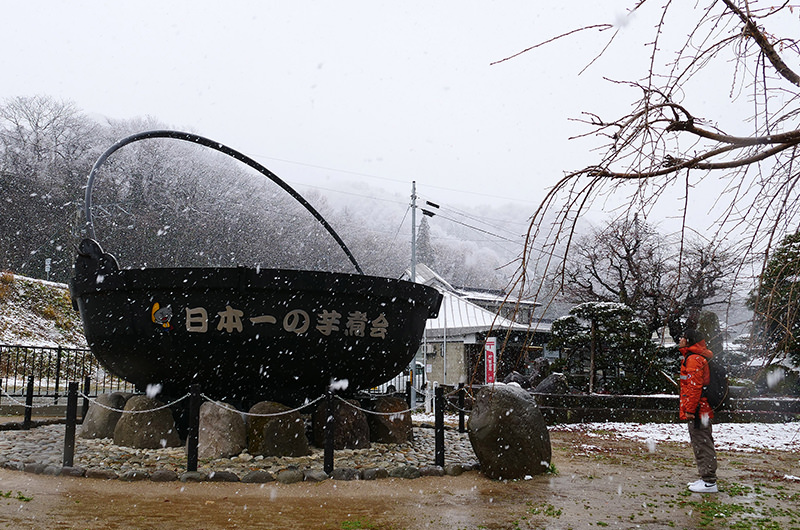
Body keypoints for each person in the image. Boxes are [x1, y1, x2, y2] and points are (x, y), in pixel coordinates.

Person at [679, 328, 718, 493]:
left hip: (698, 410)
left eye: (683, 337)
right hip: (702, 409)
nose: (680, 339)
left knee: (701, 442)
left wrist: (690, 409)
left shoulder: (694, 359)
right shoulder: (699, 356)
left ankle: (709, 481)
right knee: (703, 440)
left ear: (689, 340)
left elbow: (694, 387)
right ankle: (706, 478)